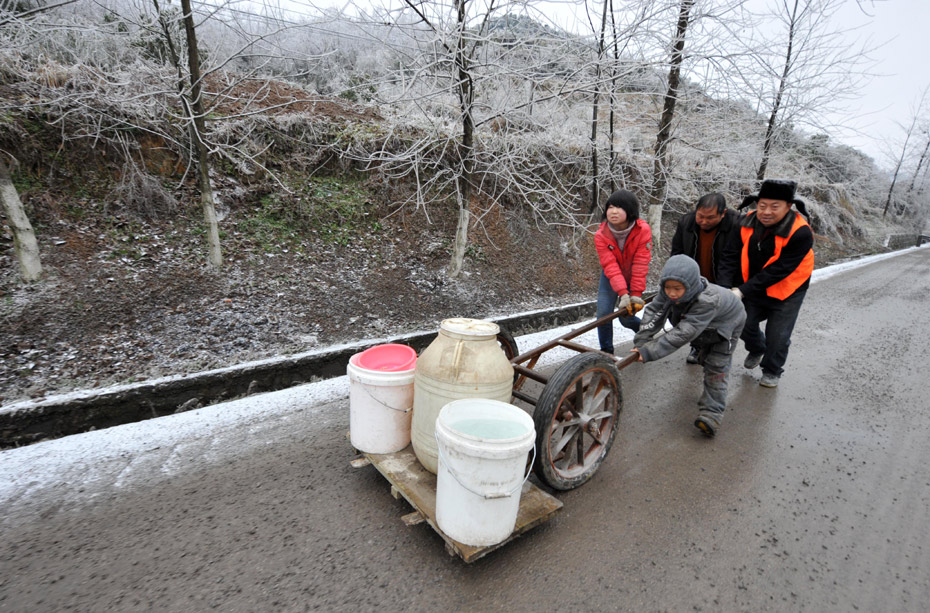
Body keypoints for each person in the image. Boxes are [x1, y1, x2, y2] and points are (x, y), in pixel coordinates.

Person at [631, 255, 746, 438]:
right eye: (667, 287)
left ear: (691, 285)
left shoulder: (708, 300)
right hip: (702, 324)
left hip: (727, 325)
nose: (671, 293)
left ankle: (712, 414)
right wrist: (642, 342)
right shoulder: (668, 291)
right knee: (702, 344)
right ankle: (702, 351)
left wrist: (649, 352)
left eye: (677, 289)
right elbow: (654, 312)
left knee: (716, 366)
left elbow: (685, 332)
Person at [716, 178, 814, 388]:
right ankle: (757, 347)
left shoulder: (801, 232)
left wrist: (742, 291)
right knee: (743, 322)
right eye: (762, 206)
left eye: (774, 207)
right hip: (753, 283)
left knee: (778, 334)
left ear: (789, 206)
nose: (766, 212)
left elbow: (779, 270)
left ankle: (772, 370)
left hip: (788, 287)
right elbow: (729, 256)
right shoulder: (744, 222)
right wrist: (724, 288)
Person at [670, 192, 740, 364]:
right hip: (695, 281)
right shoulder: (686, 222)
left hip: (723, 280)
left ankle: (717, 350)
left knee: (718, 318)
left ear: (723, 214)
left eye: (710, 218)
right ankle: (698, 345)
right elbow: (677, 253)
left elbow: (733, 258)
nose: (703, 221)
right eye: (700, 216)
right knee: (683, 316)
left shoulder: (735, 224)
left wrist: (726, 288)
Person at [594, 189, 653, 354]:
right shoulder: (601, 235)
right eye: (610, 207)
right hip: (610, 276)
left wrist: (635, 294)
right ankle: (606, 352)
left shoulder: (642, 230)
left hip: (633, 275)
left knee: (626, 318)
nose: (613, 211)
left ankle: (645, 335)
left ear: (630, 210)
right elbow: (610, 265)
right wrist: (623, 294)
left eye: (619, 207)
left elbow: (640, 263)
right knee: (603, 315)